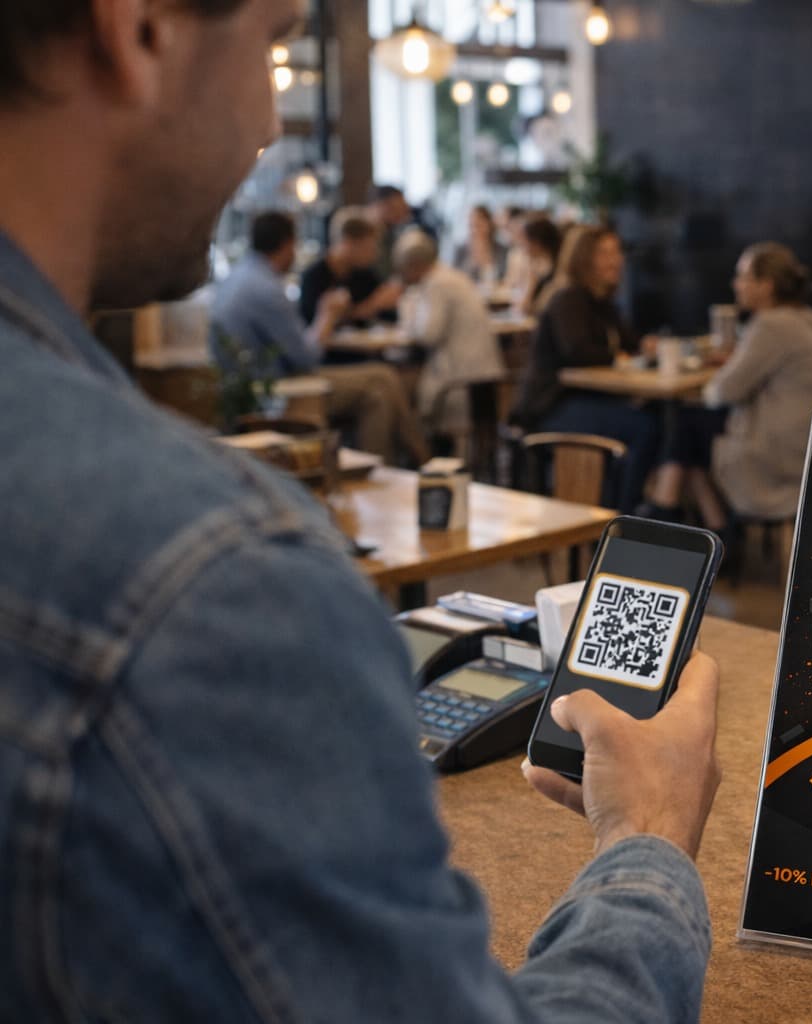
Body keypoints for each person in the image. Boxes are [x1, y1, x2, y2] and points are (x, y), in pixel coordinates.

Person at [0, 2, 721, 1020]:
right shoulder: (200, 577)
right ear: (142, 28)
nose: (265, 123)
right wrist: (645, 839)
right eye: (277, 43)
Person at [210, 211, 429, 464]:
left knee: (383, 384)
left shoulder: (236, 279)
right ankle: (404, 464)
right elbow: (306, 359)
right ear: (287, 244)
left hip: (241, 389)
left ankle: (396, 464)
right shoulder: (267, 290)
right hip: (277, 391)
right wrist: (327, 317)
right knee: (383, 380)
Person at [646, 243, 812, 531]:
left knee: (685, 425)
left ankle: (665, 512)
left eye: (744, 277)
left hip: (778, 455)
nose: (736, 285)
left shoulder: (772, 325)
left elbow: (721, 392)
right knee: (691, 436)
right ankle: (712, 526)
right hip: (806, 443)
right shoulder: (802, 320)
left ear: (766, 286)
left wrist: (722, 371)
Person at [513, 226, 659, 513]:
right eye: (605, 253)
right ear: (583, 259)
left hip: (587, 400)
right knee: (644, 427)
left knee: (658, 419)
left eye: (617, 252)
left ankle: (638, 507)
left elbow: (631, 342)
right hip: (551, 406)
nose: (615, 260)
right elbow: (577, 351)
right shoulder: (568, 299)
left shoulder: (603, 303)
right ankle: (622, 517)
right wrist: (621, 356)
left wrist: (648, 346)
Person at [394, 228, 505, 441]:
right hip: (484, 369)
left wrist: (408, 319)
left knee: (402, 393)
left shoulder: (437, 284)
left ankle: (422, 456)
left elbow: (429, 334)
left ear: (414, 265)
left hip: (463, 374)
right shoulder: (451, 277)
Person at [298, 206, 401, 327]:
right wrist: (371, 306)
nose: (374, 254)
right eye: (367, 248)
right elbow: (312, 325)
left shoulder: (364, 274)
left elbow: (388, 312)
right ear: (348, 243)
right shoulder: (313, 277)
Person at [515, 214, 564, 317]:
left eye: (525, 241)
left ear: (536, 243)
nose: (523, 248)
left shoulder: (554, 274)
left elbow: (526, 308)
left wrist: (532, 280)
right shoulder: (547, 267)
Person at [370, 183, 416, 279]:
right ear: (378, 205)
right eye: (395, 209)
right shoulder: (367, 235)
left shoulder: (391, 232)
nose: (404, 214)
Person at [454, 203, 506, 287]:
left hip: (495, 295)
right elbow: (455, 275)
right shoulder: (461, 249)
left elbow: (505, 277)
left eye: (479, 224)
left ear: (489, 224)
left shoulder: (502, 249)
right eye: (472, 225)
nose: (475, 229)